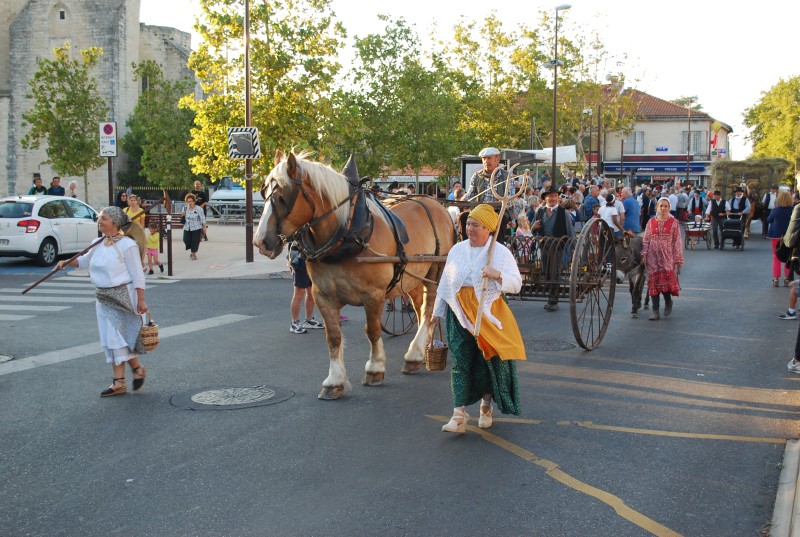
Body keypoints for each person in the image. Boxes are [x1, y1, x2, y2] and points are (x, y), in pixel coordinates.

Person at [432, 204, 525, 433]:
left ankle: (485, 405)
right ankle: (458, 415)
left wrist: (497, 274)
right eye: (468, 224)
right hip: (459, 310)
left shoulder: (500, 252)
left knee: (488, 362)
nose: (469, 228)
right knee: (460, 361)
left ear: (488, 229)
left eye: (475, 225)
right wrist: (437, 311)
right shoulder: (457, 250)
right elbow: (445, 283)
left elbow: (517, 284)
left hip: (486, 310)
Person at [55, 206, 148, 397]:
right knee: (114, 339)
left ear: (115, 223)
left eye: (103, 218)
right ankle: (136, 369)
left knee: (118, 339)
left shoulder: (127, 246)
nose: (99, 221)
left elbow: (138, 275)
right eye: (99, 218)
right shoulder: (97, 243)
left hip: (123, 297)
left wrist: (141, 300)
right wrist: (67, 262)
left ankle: (119, 382)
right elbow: (83, 261)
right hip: (103, 297)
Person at [532, 185, 575, 311]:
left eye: (555, 196)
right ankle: (550, 295)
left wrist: (573, 248)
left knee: (555, 272)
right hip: (544, 245)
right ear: (545, 198)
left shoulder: (563, 213)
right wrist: (533, 227)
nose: (553, 198)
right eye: (550, 196)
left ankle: (553, 300)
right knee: (547, 272)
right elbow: (533, 230)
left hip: (558, 247)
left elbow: (570, 231)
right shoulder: (540, 212)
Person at [641, 197, 684, 321]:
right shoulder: (650, 222)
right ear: (657, 207)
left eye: (666, 206)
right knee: (654, 282)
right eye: (661, 206)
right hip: (653, 256)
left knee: (664, 282)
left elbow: (677, 242)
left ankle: (668, 301)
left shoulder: (674, 222)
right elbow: (646, 239)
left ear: (669, 208)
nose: (663, 208)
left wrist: (678, 259)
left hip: (667, 256)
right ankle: (655, 311)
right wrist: (644, 253)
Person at [287, 242, 324, 334]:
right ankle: (294, 322)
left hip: (312, 261)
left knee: (311, 292)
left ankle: (309, 319)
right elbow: (292, 245)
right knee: (299, 293)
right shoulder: (298, 230)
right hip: (299, 262)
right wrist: (292, 263)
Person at [767, 190, 794, 287]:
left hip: (776, 235)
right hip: (789, 236)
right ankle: (787, 278)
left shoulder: (775, 210)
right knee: (788, 256)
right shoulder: (793, 210)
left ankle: (776, 278)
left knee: (776, 256)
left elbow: (769, 220)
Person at [182, 193, 206, 260]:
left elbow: (202, 218)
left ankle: (193, 254)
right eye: (188, 201)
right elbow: (182, 216)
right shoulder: (185, 208)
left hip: (196, 227)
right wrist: (182, 214)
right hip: (187, 227)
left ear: (194, 201)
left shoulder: (198, 209)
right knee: (185, 240)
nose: (189, 203)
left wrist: (204, 227)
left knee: (195, 241)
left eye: (191, 201)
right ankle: (192, 249)